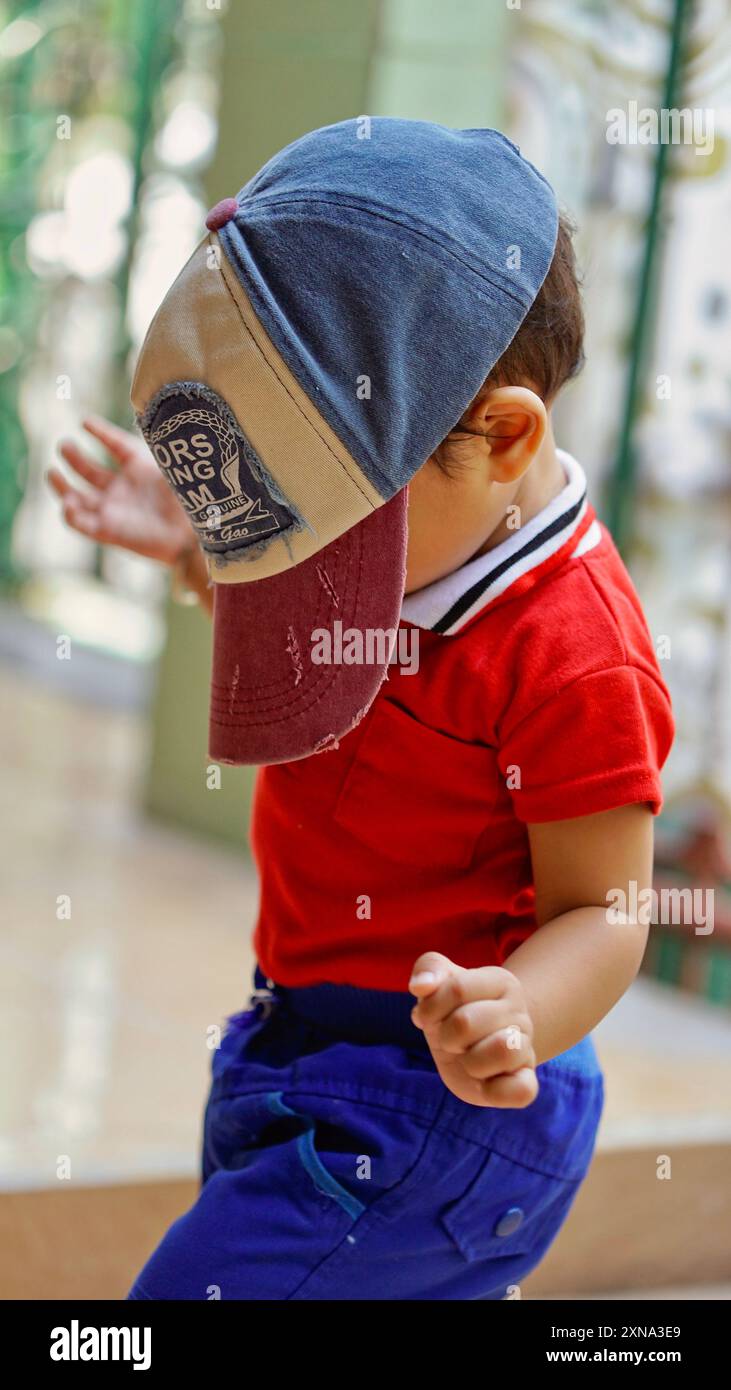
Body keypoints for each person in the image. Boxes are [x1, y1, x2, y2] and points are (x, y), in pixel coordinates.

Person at [49, 118, 674, 1300]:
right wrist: (198, 543)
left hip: (441, 1104)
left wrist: (519, 1011)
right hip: (294, 1036)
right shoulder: (416, 530)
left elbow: (611, 906)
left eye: (330, 530)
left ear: (502, 435)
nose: (305, 565)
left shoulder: (574, 655)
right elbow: (318, 631)